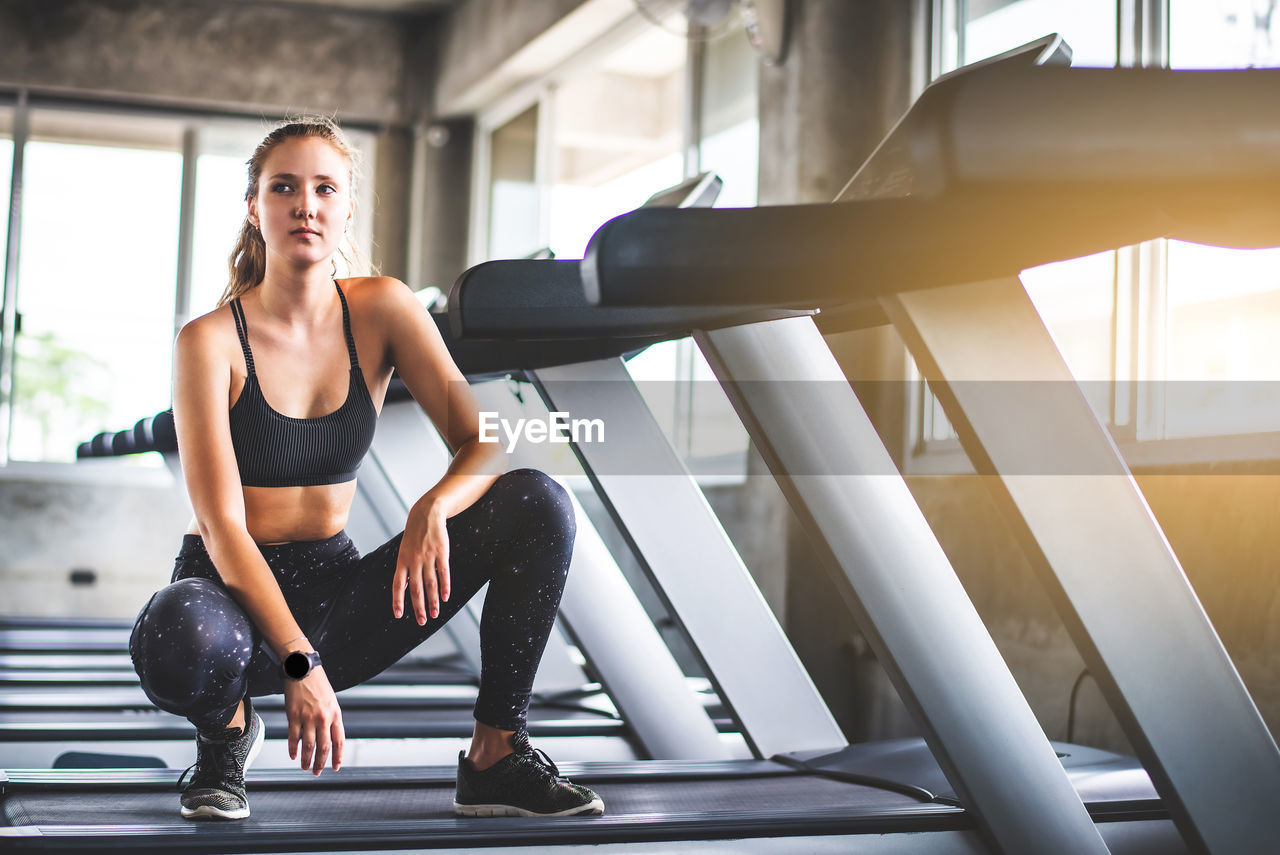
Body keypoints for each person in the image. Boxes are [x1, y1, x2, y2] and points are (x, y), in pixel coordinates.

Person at [127, 116, 603, 821]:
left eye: (325, 187)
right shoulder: (209, 341)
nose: (305, 205)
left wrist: (433, 506)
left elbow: (484, 441)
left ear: (347, 206)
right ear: (255, 207)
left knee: (538, 501)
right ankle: (224, 737)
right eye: (283, 187)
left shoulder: (383, 307)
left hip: (340, 591)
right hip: (231, 599)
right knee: (177, 633)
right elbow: (223, 529)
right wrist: (297, 662)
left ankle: (496, 755)